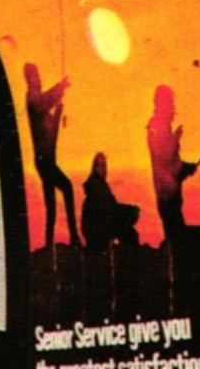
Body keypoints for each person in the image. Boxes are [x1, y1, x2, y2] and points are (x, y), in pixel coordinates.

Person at [24, 62, 78, 250]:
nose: (37, 80)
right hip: (44, 160)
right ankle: (74, 237)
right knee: (67, 188)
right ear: (29, 79)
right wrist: (60, 87)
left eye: (37, 76)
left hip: (47, 159)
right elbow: (44, 101)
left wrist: (57, 114)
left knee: (52, 205)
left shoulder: (40, 105)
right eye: (34, 76)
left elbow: (51, 134)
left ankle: (50, 243)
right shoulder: (32, 99)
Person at [146, 84, 198, 246]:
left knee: (176, 238)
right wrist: (176, 137)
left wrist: (186, 168)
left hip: (169, 195)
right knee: (177, 241)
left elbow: (171, 164)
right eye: (170, 102)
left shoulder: (160, 126)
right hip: (167, 197)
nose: (172, 106)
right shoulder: (157, 126)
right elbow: (164, 157)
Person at [80, 152, 140, 254]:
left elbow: (112, 207)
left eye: (104, 165)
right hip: (98, 231)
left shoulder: (101, 185)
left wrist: (129, 210)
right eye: (100, 165)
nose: (103, 169)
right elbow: (110, 209)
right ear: (95, 167)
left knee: (129, 232)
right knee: (130, 234)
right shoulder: (96, 187)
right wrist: (130, 211)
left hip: (102, 226)